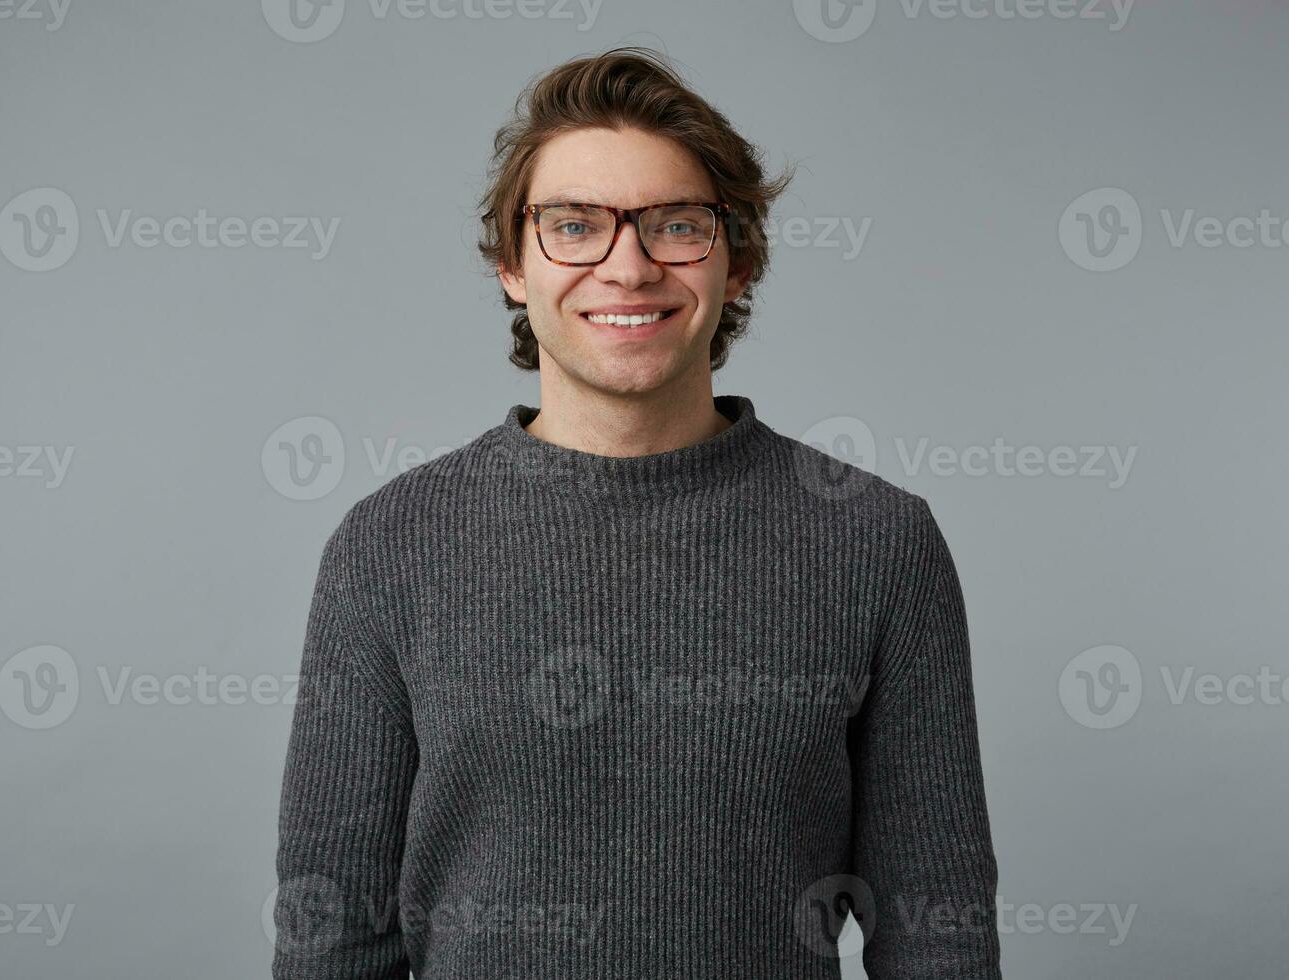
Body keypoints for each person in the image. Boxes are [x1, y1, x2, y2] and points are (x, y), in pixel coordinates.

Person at [273, 46, 1001, 979]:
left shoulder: (878, 541)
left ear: (736, 263)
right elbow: (331, 939)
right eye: (574, 226)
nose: (628, 266)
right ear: (510, 262)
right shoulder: (388, 547)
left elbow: (937, 931)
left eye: (675, 225)